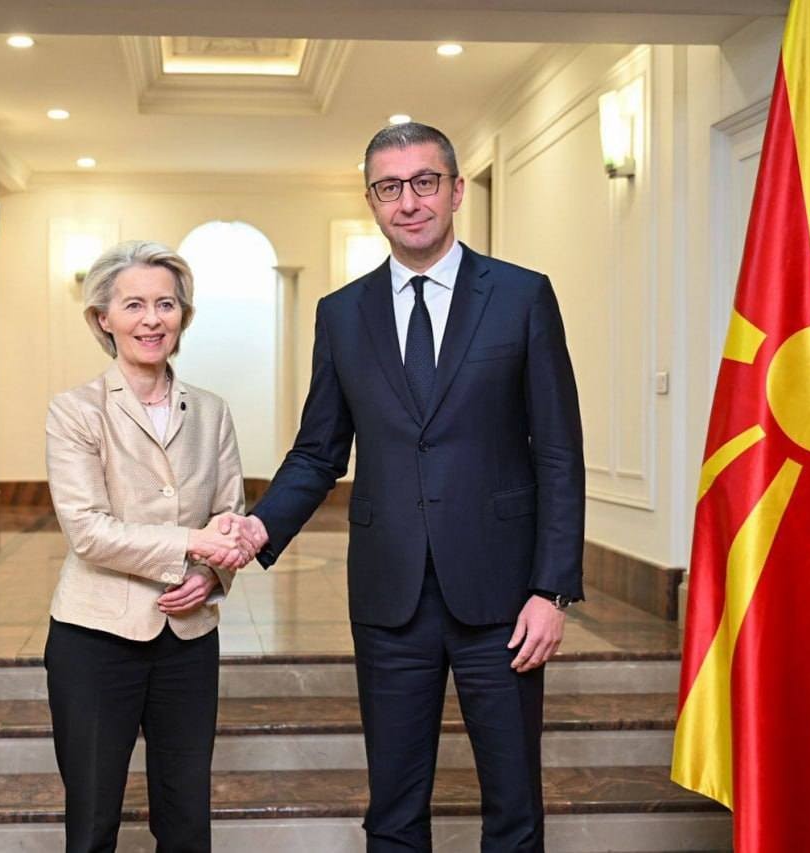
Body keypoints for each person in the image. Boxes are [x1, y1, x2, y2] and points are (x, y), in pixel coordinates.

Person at [230, 123, 585, 851]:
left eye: (425, 182)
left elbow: (558, 453)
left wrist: (551, 590)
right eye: (389, 187)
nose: (409, 201)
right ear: (371, 200)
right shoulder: (341, 313)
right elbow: (318, 452)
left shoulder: (521, 296)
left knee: (514, 806)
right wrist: (259, 527)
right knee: (392, 808)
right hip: (389, 595)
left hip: (503, 596)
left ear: (456, 190)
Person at [44, 240, 252, 853]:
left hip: (189, 637)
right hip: (95, 637)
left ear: (183, 316)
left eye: (166, 304)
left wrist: (211, 575)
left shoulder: (211, 411)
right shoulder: (75, 411)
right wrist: (191, 543)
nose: (151, 319)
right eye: (133, 304)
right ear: (103, 318)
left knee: (187, 820)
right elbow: (88, 529)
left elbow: (231, 515)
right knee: (92, 821)